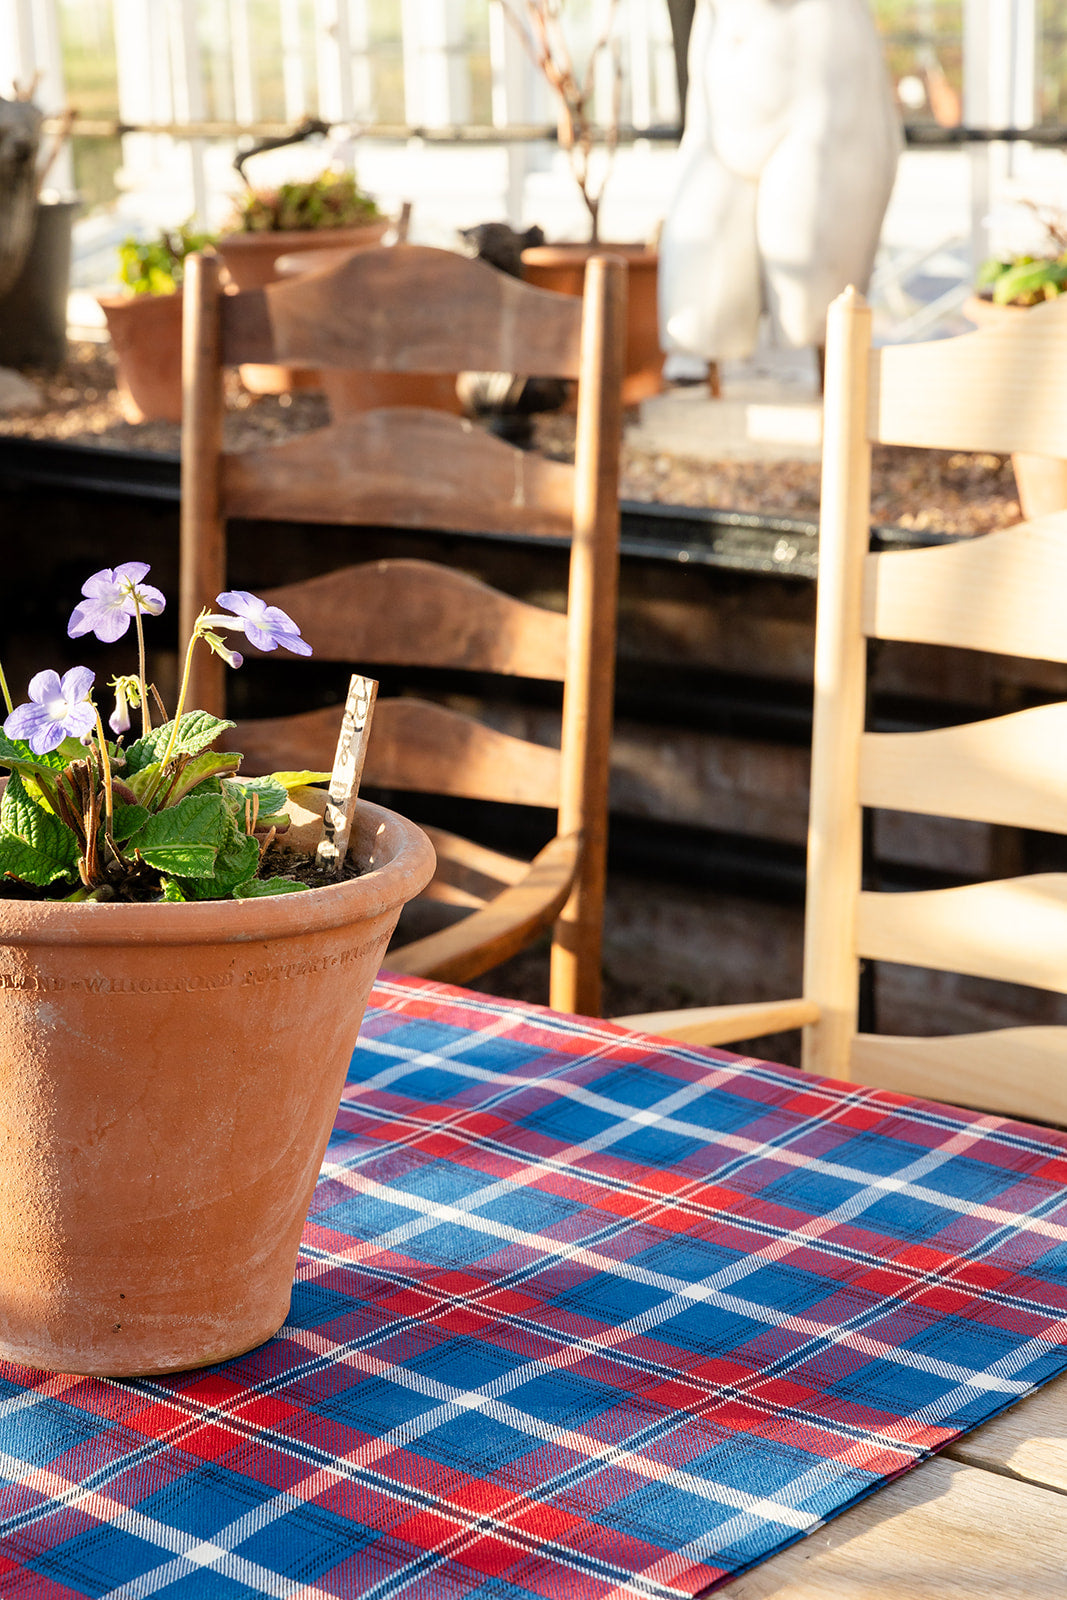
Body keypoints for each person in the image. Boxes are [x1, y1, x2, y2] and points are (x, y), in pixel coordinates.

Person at [658, 0, 902, 374]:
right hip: (724, 85)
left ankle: (835, 408)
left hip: (822, 81)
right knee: (694, 315)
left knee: (816, 309)